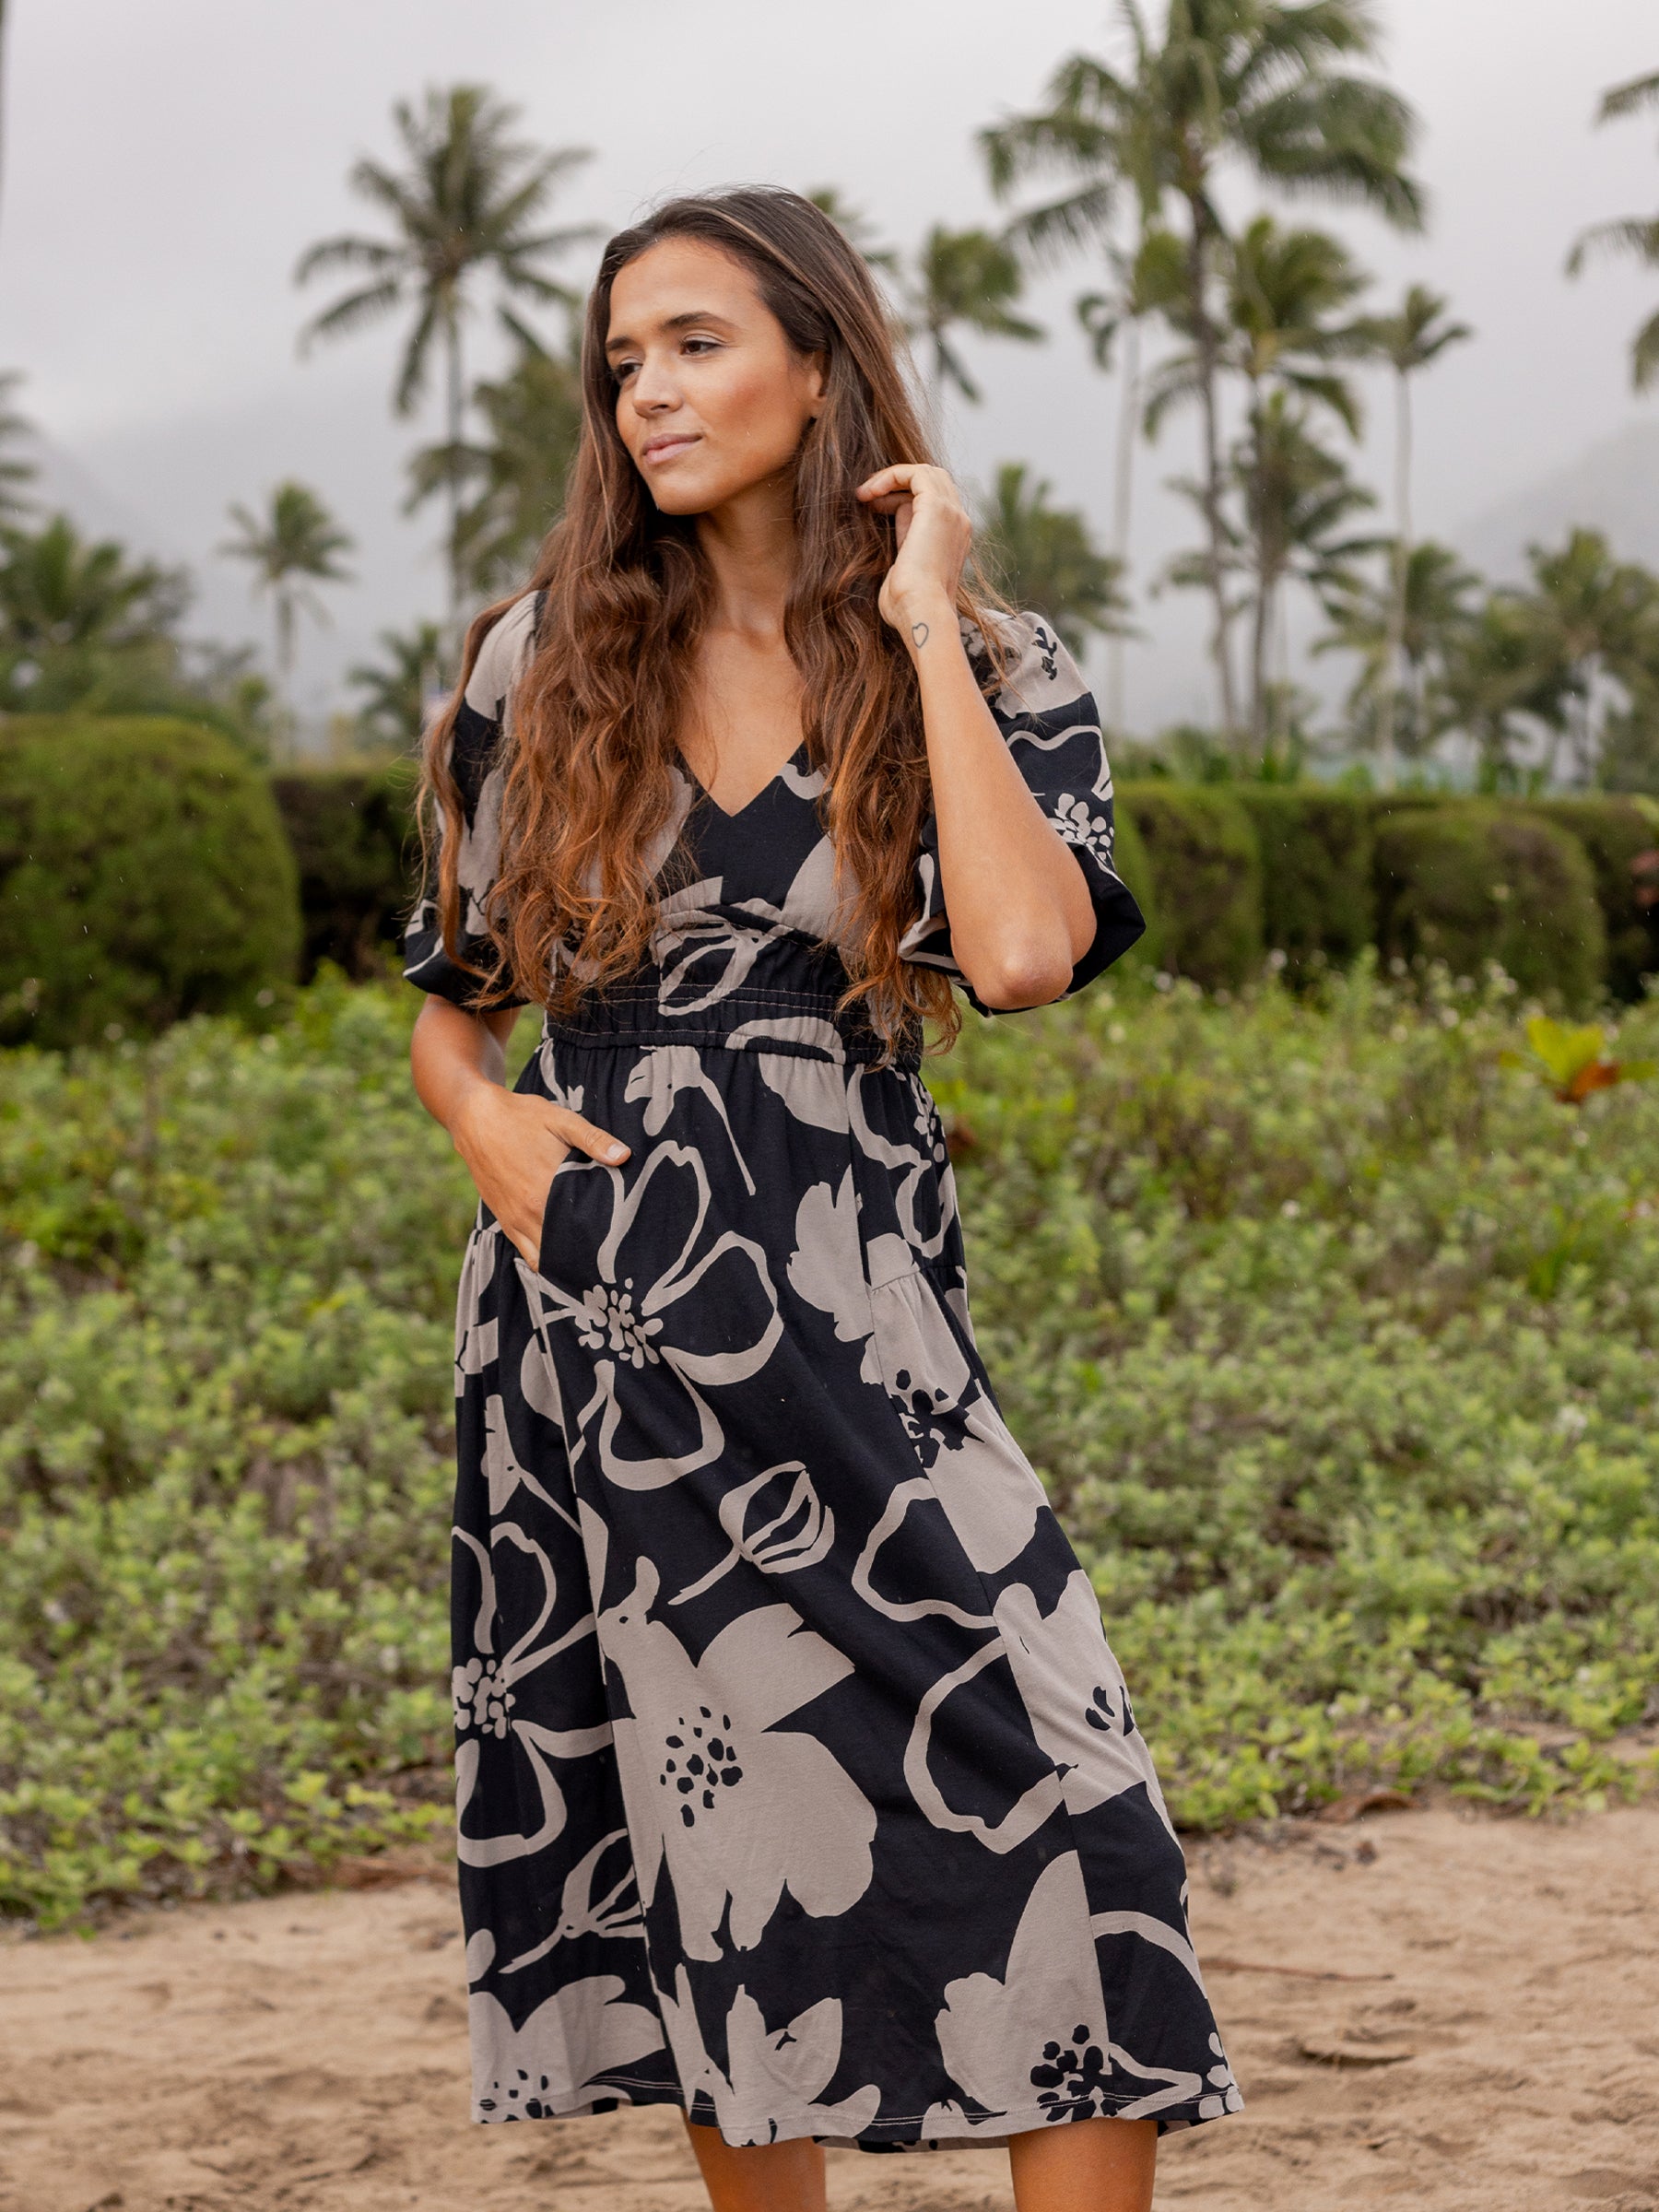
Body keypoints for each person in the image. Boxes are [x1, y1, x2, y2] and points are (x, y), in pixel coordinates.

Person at [406, 186, 1238, 2212]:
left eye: (694, 342)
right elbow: (451, 996)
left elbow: (1025, 956)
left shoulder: (990, 659)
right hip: (606, 1299)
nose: (651, 394)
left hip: (867, 1306)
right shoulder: (542, 660)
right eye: (623, 363)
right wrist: (480, 1123)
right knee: (715, 1860)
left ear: (816, 357)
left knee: (1076, 1800)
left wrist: (924, 616)